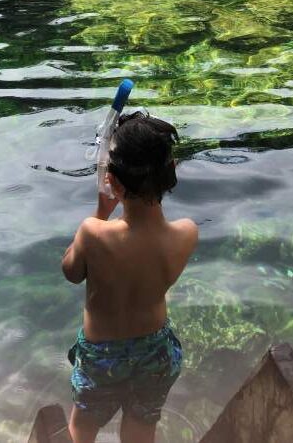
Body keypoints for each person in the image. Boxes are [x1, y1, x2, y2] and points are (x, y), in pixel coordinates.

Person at [62, 112, 198, 443]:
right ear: (173, 171)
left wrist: (102, 212)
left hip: (101, 356)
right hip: (157, 351)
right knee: (141, 428)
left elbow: (71, 272)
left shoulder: (93, 233)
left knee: (83, 426)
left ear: (113, 182)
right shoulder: (186, 234)